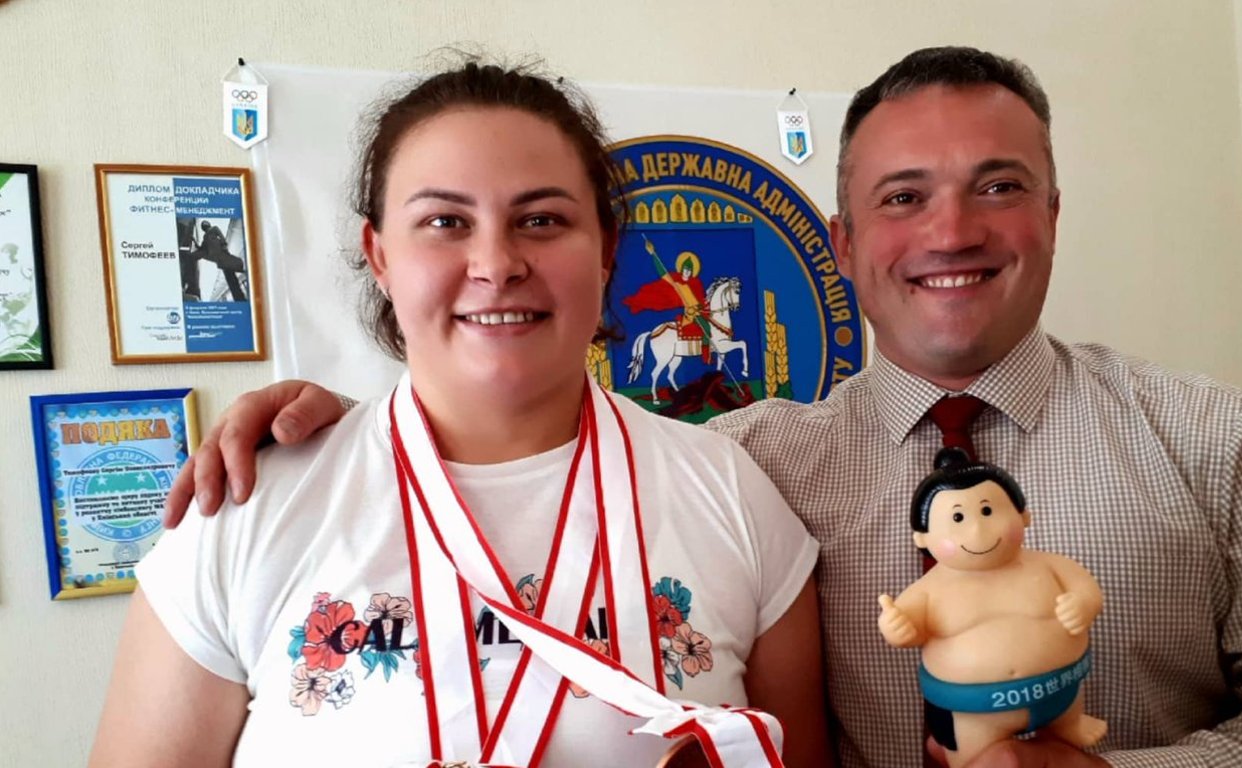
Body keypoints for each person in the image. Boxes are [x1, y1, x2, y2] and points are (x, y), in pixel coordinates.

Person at [163, 47, 1242, 767]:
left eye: (998, 186)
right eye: (903, 196)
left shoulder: (1218, 442)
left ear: (1051, 214)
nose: (950, 231)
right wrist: (341, 431)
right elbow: (510, 440)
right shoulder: (753, 464)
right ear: (840, 241)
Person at [92, 61, 831, 768]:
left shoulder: (731, 493)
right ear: (379, 255)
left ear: (606, 249)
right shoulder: (246, 509)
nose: (497, 263)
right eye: (445, 221)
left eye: (541, 219)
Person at [878, 447, 1106, 767]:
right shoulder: (929, 590)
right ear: (922, 538)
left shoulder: (1048, 565)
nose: (977, 530)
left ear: (1023, 516)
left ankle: (1070, 724)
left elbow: (1086, 588)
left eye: (987, 511)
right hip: (975, 712)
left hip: (1062, 689)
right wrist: (897, 628)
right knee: (978, 759)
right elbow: (907, 625)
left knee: (1067, 722)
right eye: (958, 518)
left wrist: (1082, 603)